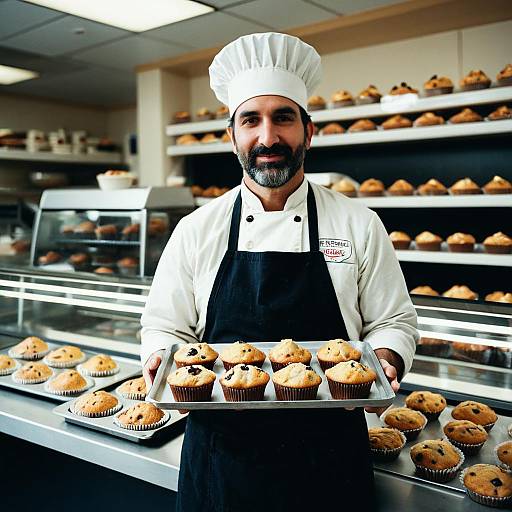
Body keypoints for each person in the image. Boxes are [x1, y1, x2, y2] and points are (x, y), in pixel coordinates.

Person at [141, 32, 418, 512]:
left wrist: (388, 359)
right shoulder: (196, 229)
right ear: (233, 137)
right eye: (251, 120)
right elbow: (164, 325)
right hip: (222, 463)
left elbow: (394, 321)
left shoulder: (358, 223)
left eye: (283, 118)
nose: (268, 137)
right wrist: (162, 363)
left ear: (308, 132)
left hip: (331, 460)